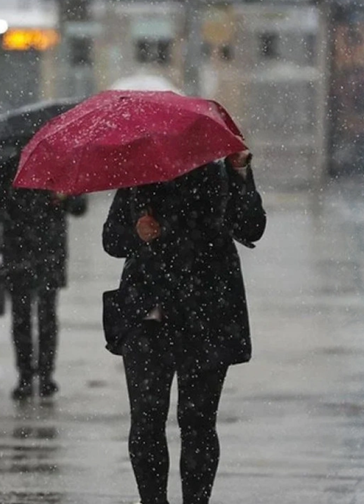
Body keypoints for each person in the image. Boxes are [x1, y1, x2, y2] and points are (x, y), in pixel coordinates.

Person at [102, 150, 265, 504]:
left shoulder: (221, 176)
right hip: (148, 317)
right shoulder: (138, 177)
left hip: (207, 316)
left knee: (198, 422)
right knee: (146, 421)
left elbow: (251, 227)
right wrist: (137, 232)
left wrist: (238, 171)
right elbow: (112, 240)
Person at [0, 153, 87, 400]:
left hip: (50, 253)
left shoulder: (61, 166)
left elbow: (80, 207)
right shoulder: (9, 167)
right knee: (22, 317)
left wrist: (63, 197)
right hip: (18, 252)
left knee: (47, 315)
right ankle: (26, 376)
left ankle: (46, 375)